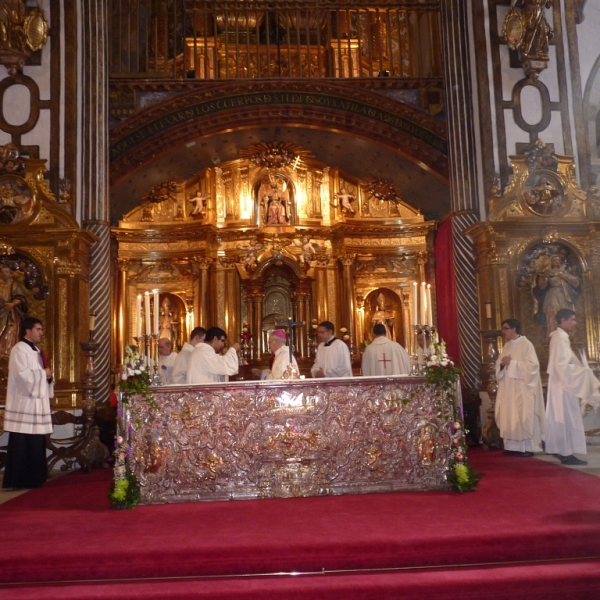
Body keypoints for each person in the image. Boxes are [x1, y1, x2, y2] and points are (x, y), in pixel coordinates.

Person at [2, 317, 53, 489]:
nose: (41, 332)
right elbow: (21, 376)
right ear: (27, 331)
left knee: (36, 441)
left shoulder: (36, 351)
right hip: (24, 403)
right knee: (23, 441)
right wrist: (42, 374)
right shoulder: (19, 350)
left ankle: (35, 478)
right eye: (38, 329)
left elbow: (40, 374)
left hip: (35, 404)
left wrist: (48, 376)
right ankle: (19, 480)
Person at [545, 309, 600, 465]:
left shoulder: (560, 337)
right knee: (566, 417)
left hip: (562, 384)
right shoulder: (560, 338)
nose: (575, 323)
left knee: (562, 417)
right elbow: (561, 366)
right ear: (563, 320)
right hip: (564, 386)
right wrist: (583, 373)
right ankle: (566, 452)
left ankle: (562, 449)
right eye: (572, 319)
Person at [494, 319, 545, 457]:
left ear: (514, 329)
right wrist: (503, 365)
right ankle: (512, 447)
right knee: (510, 415)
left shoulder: (526, 344)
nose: (503, 331)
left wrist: (513, 363)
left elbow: (533, 367)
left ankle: (527, 447)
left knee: (523, 415)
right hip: (508, 389)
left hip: (522, 389)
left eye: (506, 328)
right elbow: (500, 363)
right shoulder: (507, 346)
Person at [542, 255, 580, 338]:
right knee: (552, 313)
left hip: (563, 294)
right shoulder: (547, 272)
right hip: (553, 294)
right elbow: (542, 285)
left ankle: (568, 335)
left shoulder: (563, 272)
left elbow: (575, 281)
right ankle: (553, 333)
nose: (556, 261)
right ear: (551, 262)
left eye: (558, 260)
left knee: (565, 313)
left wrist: (565, 276)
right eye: (554, 260)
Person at [0, 264, 28, 357]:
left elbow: (20, 297)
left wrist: (12, 304)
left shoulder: (14, 285)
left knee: (10, 332)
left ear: (11, 274)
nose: (5, 274)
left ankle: (9, 352)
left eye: (7, 272)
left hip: (11, 313)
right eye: (3, 272)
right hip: (1, 311)